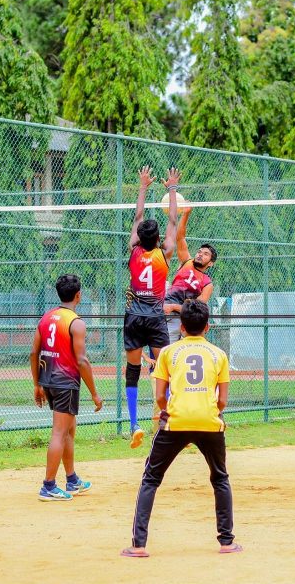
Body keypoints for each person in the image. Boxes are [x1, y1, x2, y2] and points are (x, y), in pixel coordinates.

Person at [121, 299, 241, 558]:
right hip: (209, 422)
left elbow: (160, 396)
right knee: (220, 478)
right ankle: (227, 541)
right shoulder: (218, 354)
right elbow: (222, 400)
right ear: (207, 327)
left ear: (182, 327)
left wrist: (167, 409)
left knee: (151, 478)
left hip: (175, 422)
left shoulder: (168, 352)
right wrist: (212, 412)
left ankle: (138, 545)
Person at [31, 274, 104, 501]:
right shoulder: (76, 322)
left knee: (69, 430)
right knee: (60, 433)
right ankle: (48, 486)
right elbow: (82, 361)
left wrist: (37, 384)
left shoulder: (46, 318)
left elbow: (34, 353)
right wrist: (95, 393)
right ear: (78, 295)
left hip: (49, 380)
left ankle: (72, 480)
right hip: (65, 383)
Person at [124, 166, 180, 449]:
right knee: (165, 369)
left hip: (134, 316)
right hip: (156, 316)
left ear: (139, 237)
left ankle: (134, 424)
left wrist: (143, 187)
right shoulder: (165, 252)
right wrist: (172, 188)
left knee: (133, 370)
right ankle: (167, 421)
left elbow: (138, 217)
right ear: (158, 239)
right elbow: (173, 219)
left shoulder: (134, 250)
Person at [162, 206, 217, 345]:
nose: (200, 254)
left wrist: (174, 307)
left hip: (185, 319)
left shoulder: (207, 283)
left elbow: (196, 309)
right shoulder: (187, 261)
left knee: (181, 351)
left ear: (211, 263)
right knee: (160, 350)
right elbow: (180, 237)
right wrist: (186, 213)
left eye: (206, 254)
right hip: (166, 311)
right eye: (199, 252)